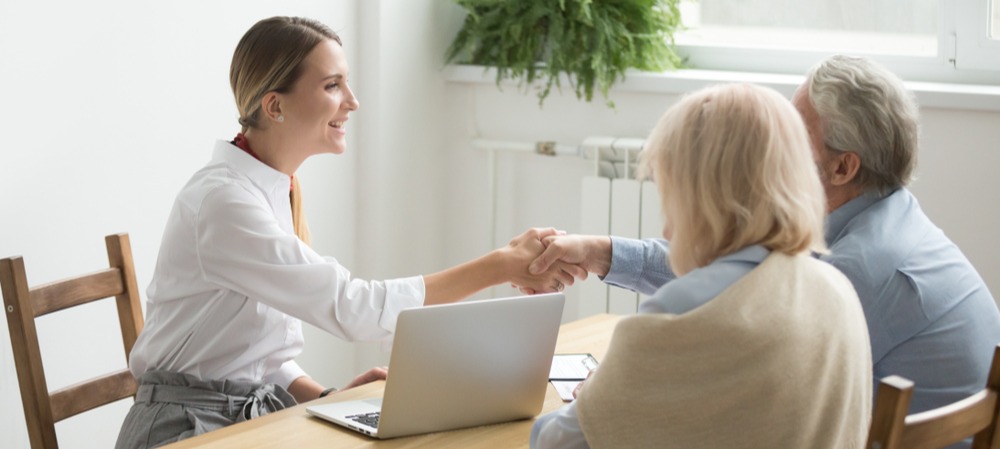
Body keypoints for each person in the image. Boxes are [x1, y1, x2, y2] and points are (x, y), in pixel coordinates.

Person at [115, 16, 577, 449]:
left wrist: (323, 395)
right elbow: (355, 308)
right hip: (184, 430)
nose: (353, 101)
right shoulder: (225, 204)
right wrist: (499, 265)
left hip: (246, 416)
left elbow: (255, 352)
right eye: (333, 85)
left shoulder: (275, 189)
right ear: (274, 105)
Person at [529, 55, 1000, 441]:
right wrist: (605, 253)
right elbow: (744, 285)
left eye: (796, 134)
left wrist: (617, 395)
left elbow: (736, 300)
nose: (779, 147)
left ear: (843, 168)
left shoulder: (854, 271)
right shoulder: (892, 227)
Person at [531, 83, 873, 448]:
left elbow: (556, 443)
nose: (666, 226)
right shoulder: (837, 290)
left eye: (670, 195)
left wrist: (594, 399)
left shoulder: (680, 313)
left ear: (700, 198)